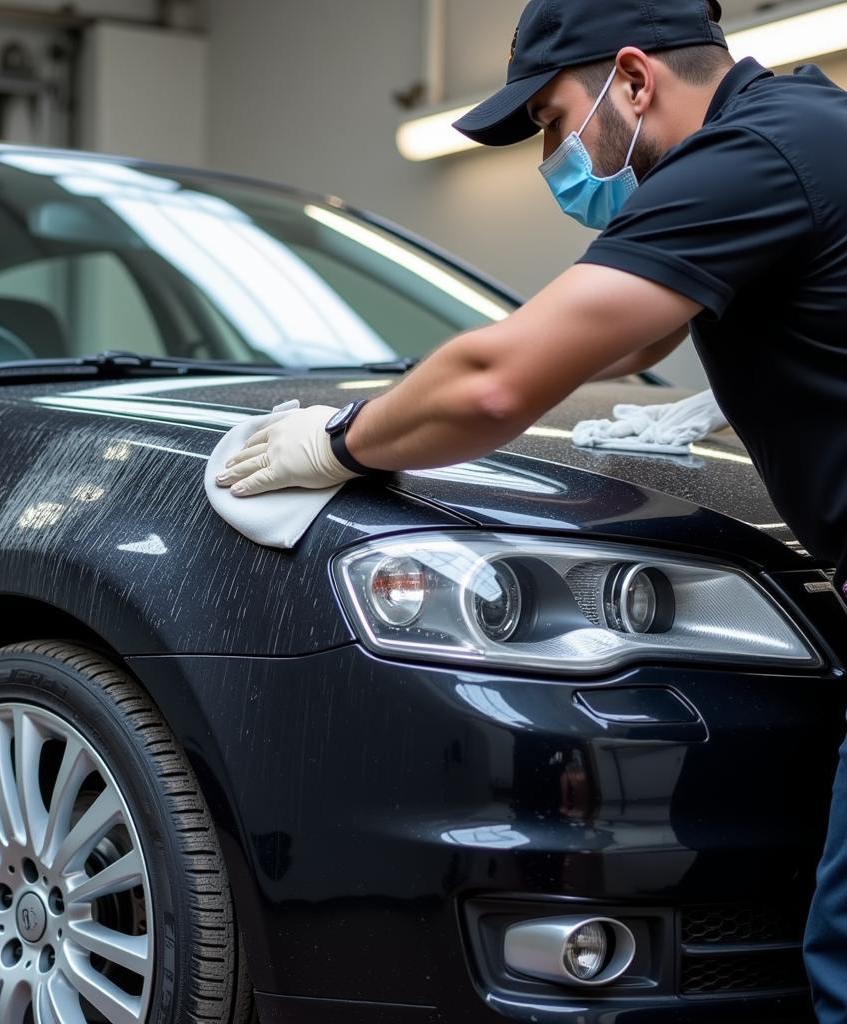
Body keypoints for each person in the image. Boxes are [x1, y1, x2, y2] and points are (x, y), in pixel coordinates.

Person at [215, 4, 847, 1013]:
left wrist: (335, 441)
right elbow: (624, 343)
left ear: (631, 82)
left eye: (552, 121)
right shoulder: (803, 128)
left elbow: (494, 383)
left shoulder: (749, 157)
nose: (551, 156)